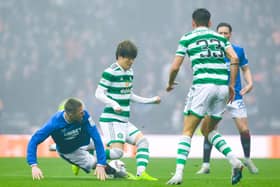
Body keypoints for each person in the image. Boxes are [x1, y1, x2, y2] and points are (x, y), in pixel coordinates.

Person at [166, 8, 243, 185]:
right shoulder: (221, 38)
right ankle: (235, 162)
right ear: (210, 23)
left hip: (203, 87)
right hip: (222, 88)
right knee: (208, 131)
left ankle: (178, 174)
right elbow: (234, 58)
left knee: (187, 131)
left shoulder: (188, 37)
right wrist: (231, 85)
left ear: (193, 23)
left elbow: (175, 67)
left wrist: (170, 83)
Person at [196, 22, 258, 175]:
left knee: (244, 130)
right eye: (221, 33)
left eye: (226, 33)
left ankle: (248, 159)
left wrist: (250, 82)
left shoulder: (238, 51)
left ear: (231, 34)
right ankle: (205, 164)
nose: (223, 36)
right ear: (216, 34)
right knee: (210, 129)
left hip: (235, 96)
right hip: (217, 96)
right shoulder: (211, 51)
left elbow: (246, 69)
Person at [95, 40, 161, 181]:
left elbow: (129, 95)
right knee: (117, 153)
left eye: (133, 58)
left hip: (124, 120)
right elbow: (99, 93)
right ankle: (87, 155)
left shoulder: (130, 72)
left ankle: (141, 173)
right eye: (128, 58)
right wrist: (113, 104)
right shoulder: (110, 72)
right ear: (119, 56)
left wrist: (150, 100)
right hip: (111, 119)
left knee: (143, 142)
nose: (131, 61)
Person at [26, 97, 116, 181]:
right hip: (70, 151)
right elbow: (34, 141)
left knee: (115, 154)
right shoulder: (54, 124)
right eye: (80, 112)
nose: (83, 114)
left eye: (83, 111)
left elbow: (96, 138)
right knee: (94, 163)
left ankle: (55, 147)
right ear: (70, 114)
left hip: (85, 143)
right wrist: (34, 165)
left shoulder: (85, 116)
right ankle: (117, 173)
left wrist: (101, 163)